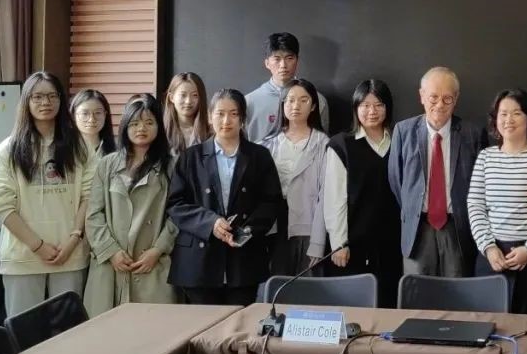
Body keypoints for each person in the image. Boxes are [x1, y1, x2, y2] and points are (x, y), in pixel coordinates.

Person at [0, 72, 94, 315]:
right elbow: (1, 206)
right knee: (25, 332)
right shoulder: (7, 151)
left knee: (69, 329)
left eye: (52, 96)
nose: (46, 102)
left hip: (70, 253)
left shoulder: (80, 147)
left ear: (61, 100)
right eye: (37, 97)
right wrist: (38, 246)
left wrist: (74, 238)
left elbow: (90, 196)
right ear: (26, 101)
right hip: (22, 257)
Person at [167, 89, 280, 305]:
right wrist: (210, 223)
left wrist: (246, 231)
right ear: (210, 117)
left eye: (233, 114)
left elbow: (271, 201)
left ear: (243, 119)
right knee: (203, 323)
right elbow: (176, 204)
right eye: (220, 113)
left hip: (244, 258)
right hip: (199, 261)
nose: (226, 121)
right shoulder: (191, 157)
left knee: (239, 322)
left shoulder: (259, 156)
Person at [308, 79, 401, 307]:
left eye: (378, 105)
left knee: (389, 305)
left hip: (392, 243)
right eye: (365, 105)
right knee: (354, 308)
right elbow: (334, 199)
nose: (372, 111)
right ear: (356, 108)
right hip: (353, 245)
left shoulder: (399, 141)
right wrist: (339, 243)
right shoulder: (342, 145)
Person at [388, 67, 487, 277]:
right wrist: (413, 206)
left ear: (456, 99)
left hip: (457, 227)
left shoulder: (473, 134)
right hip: (417, 227)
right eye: (433, 97)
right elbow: (396, 180)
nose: (440, 105)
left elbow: (481, 186)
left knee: (458, 289)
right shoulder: (403, 131)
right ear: (422, 96)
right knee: (417, 290)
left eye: (447, 98)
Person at [84, 94, 178, 317]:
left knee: (153, 328)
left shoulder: (171, 166)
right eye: (134, 123)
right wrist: (111, 251)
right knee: (106, 328)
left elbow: (178, 215)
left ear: (159, 126)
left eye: (149, 122)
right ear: (125, 126)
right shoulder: (107, 164)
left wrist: (158, 249)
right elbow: (94, 214)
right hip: (111, 265)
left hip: (152, 263)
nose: (141, 128)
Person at [467, 89, 527, 314]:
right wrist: (488, 247)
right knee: (490, 322)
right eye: (503, 114)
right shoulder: (486, 157)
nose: (508, 119)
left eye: (516, 113)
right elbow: (475, 206)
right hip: (492, 256)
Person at [264, 78, 330, 275]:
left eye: (303, 100)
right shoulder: (267, 144)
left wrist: (318, 242)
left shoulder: (323, 143)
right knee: (273, 286)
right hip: (273, 225)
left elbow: (325, 196)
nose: (296, 106)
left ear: (313, 106)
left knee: (306, 287)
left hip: (307, 226)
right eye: (290, 100)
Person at [245, 32, 329, 141]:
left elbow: (322, 143)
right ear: (267, 63)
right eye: (277, 59)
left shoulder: (316, 100)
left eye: (289, 58)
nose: (283, 65)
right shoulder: (249, 102)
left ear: (297, 60)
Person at [163, 72, 211, 159]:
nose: (188, 101)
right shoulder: (161, 131)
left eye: (195, 95)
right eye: (183, 95)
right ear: (171, 97)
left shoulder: (210, 131)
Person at [70, 89, 116, 163]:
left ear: (105, 115)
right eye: (85, 113)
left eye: (97, 113)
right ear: (73, 116)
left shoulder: (116, 152)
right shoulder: (64, 149)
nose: (91, 119)